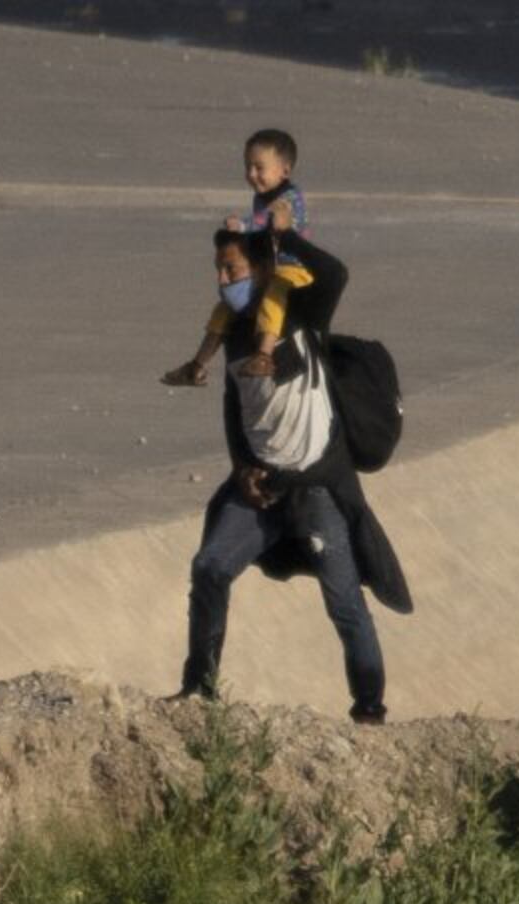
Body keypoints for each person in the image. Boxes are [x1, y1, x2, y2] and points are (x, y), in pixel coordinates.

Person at [160, 224, 411, 722]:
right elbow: (236, 407)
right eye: (218, 269)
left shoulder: (300, 316)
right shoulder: (231, 335)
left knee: (344, 602)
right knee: (210, 567)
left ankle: (369, 711)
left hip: (317, 486)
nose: (221, 279)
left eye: (231, 268)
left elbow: (336, 274)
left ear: (262, 270)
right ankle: (199, 689)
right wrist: (240, 468)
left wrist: (284, 233)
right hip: (261, 485)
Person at [162, 128, 313, 391]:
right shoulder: (260, 196)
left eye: (259, 167)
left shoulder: (289, 197)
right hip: (271, 268)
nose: (251, 174)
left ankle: (264, 355)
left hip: (294, 269)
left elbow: (266, 221)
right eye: (248, 167)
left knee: (273, 296)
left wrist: (242, 226)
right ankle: (197, 366)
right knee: (225, 307)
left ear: (284, 171)